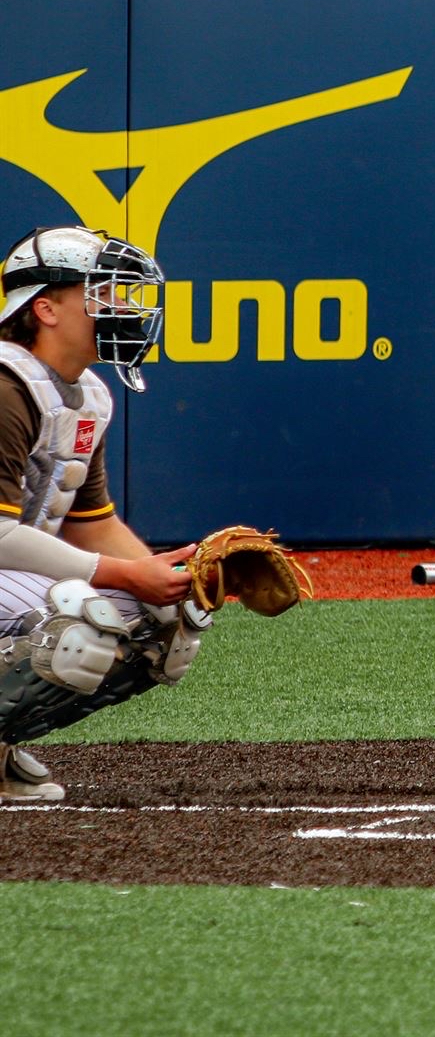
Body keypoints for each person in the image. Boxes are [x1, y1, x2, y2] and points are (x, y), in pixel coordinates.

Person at [0, 226, 201, 801]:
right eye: (101, 292)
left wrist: (181, 580)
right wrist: (123, 575)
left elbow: (92, 523)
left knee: (166, 625)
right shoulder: (5, 383)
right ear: (46, 308)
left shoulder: (84, 393)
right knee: (85, 623)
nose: (118, 306)